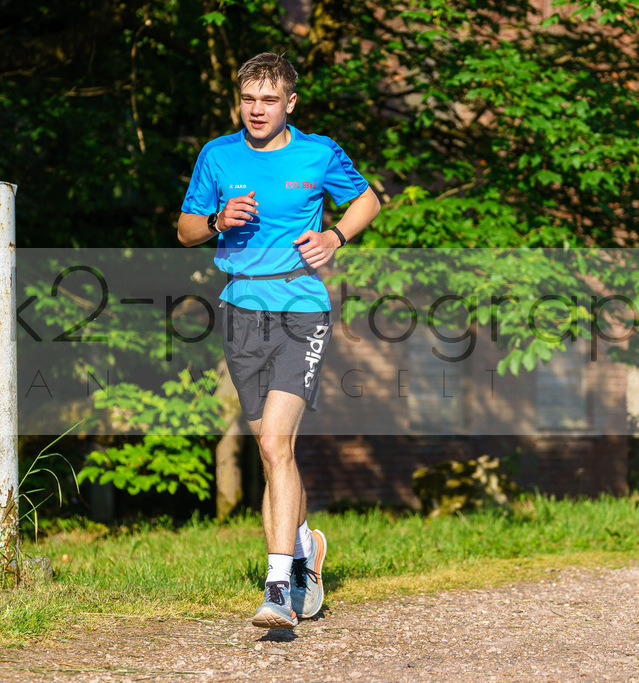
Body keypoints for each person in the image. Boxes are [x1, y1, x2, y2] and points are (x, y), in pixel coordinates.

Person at [177, 52, 380, 628]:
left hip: (301, 308)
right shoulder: (217, 155)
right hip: (241, 308)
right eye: (249, 99)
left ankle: (277, 588)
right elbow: (185, 230)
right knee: (273, 450)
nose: (257, 109)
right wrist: (218, 220)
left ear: (290, 103)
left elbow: (368, 199)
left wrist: (336, 236)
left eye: (269, 100)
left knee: (272, 447)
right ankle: (305, 550)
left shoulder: (317, 153)